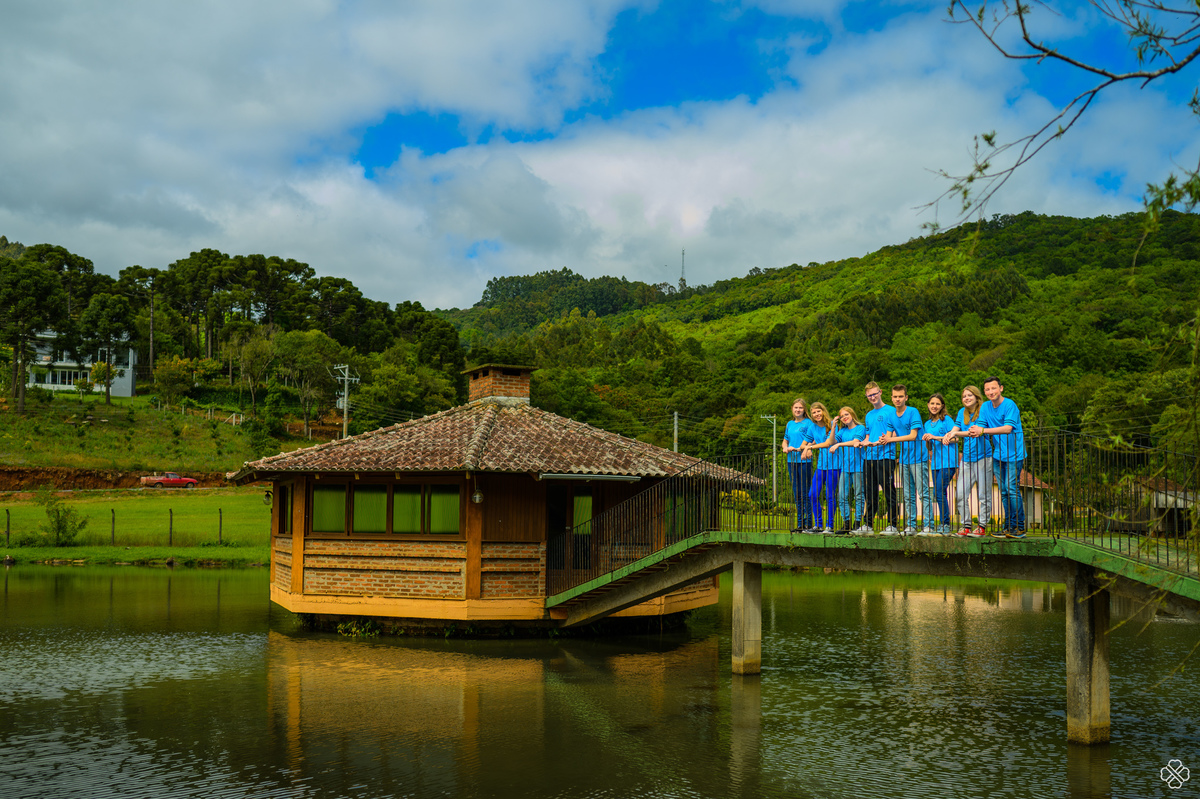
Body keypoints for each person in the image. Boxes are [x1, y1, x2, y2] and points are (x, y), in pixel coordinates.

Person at [971, 376, 1026, 538]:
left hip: (1014, 454)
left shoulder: (1010, 405)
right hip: (998, 454)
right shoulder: (986, 407)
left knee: (1011, 488)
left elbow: (1008, 428)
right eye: (987, 389)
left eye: (993, 388)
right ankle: (1008, 527)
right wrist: (973, 430)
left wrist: (982, 431)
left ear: (1001, 388)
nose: (990, 392)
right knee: (1003, 491)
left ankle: (1020, 527)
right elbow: (981, 425)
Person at [942, 385, 991, 538]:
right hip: (967, 459)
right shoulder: (961, 413)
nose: (967, 398)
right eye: (964, 396)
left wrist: (953, 434)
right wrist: (948, 434)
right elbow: (955, 428)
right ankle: (966, 525)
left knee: (984, 494)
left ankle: (982, 526)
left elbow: (973, 432)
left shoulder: (983, 411)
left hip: (984, 457)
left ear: (977, 397)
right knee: (961, 494)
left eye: (970, 395)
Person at [887, 384, 930, 535]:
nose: (897, 399)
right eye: (895, 397)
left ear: (906, 397)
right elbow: (888, 435)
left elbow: (912, 436)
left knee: (923, 493)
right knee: (908, 495)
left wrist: (890, 440)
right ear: (891, 398)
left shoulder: (913, 412)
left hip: (919, 458)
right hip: (904, 459)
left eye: (900, 396)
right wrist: (883, 439)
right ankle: (911, 526)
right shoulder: (891, 415)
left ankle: (928, 526)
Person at [859, 381, 901, 534]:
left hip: (886, 456)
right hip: (869, 457)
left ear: (881, 392)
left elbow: (897, 432)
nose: (873, 397)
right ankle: (868, 525)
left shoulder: (891, 411)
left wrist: (885, 439)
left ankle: (893, 525)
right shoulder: (869, 415)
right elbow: (869, 435)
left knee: (889, 491)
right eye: (869, 395)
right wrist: (863, 442)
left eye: (875, 393)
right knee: (870, 492)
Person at [922, 393, 958, 535]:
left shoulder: (947, 420)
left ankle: (945, 524)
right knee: (939, 493)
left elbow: (955, 439)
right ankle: (944, 524)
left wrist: (936, 437)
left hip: (949, 461)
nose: (934, 406)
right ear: (928, 405)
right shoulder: (926, 424)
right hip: (936, 463)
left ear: (942, 406)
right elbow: (929, 447)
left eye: (937, 404)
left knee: (938, 492)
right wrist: (927, 440)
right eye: (932, 403)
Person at [801, 402, 839, 533]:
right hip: (821, 466)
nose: (817, 414)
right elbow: (802, 445)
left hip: (834, 466)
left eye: (818, 411)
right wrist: (807, 447)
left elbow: (828, 443)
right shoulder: (812, 427)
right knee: (812, 494)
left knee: (829, 495)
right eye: (814, 413)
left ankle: (830, 525)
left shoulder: (833, 425)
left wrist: (810, 447)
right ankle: (818, 525)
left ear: (823, 411)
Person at [829, 406, 866, 534]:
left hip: (859, 467)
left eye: (847, 414)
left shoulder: (860, 428)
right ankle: (846, 524)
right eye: (842, 416)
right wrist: (833, 427)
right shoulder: (842, 431)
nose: (845, 417)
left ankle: (857, 524)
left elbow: (855, 442)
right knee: (841, 495)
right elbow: (832, 441)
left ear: (852, 414)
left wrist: (839, 444)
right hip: (846, 467)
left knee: (858, 495)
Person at [781, 397, 815, 531]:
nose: (798, 410)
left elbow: (812, 441)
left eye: (800, 408)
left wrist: (804, 448)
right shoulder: (789, 424)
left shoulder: (808, 423)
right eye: (796, 407)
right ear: (792, 409)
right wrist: (785, 447)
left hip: (804, 461)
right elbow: (785, 440)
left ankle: (808, 523)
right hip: (791, 461)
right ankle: (800, 524)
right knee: (797, 493)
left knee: (806, 492)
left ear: (804, 409)